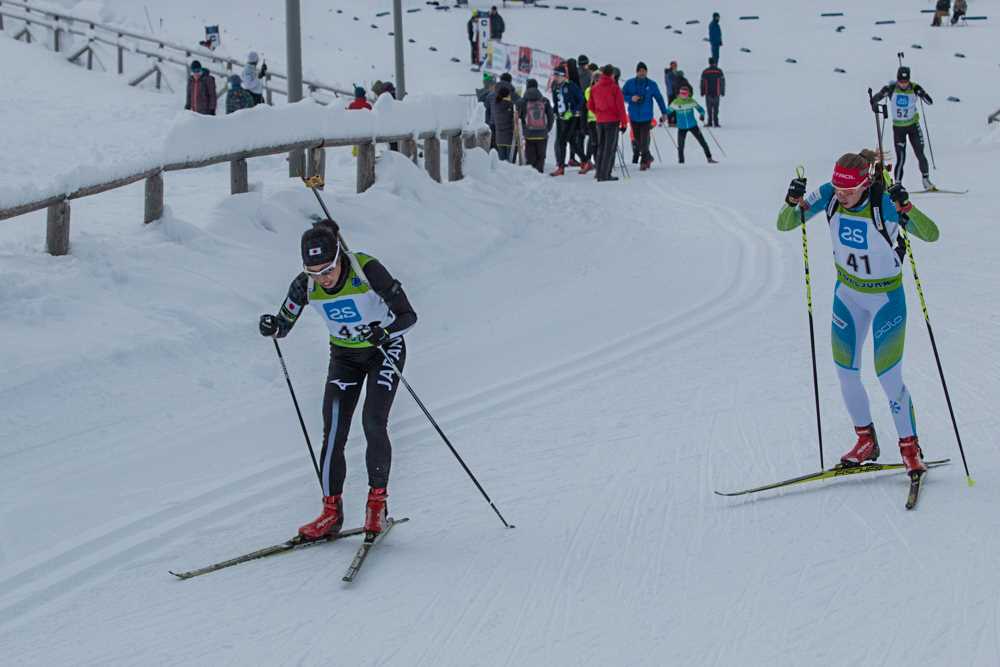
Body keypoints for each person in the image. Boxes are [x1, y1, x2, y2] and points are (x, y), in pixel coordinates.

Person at [778, 151, 940, 475]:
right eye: (838, 189)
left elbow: (931, 233)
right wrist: (792, 199)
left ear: (865, 185)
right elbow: (785, 224)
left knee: (888, 375)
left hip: (885, 300)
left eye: (849, 191)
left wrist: (907, 207)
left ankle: (910, 448)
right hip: (848, 296)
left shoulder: (884, 206)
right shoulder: (829, 195)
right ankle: (866, 439)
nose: (842, 196)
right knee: (846, 372)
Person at [259, 221, 417, 540]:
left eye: (328, 269)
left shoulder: (366, 269)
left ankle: (377, 505)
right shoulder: (304, 285)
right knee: (333, 432)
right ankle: (331, 512)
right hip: (345, 358)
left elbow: (408, 316)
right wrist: (272, 327)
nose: (323, 278)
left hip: (383, 350)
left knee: (373, 422)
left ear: (340, 257)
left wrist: (384, 332)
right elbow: (284, 325)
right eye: (314, 271)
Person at [871, 66, 934, 189]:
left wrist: (922, 94)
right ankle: (898, 184)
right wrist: (874, 101)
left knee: (920, 153)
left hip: (913, 126)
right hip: (898, 128)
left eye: (905, 82)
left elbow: (929, 101)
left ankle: (926, 180)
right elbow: (876, 98)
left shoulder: (915, 87)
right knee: (901, 158)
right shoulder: (891, 88)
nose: (903, 84)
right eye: (901, 81)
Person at [622, 61, 669, 171]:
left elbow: (659, 98)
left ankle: (643, 162)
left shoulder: (651, 84)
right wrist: (631, 98)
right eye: (640, 71)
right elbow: (622, 95)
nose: (642, 73)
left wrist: (664, 112)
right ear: (637, 72)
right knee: (637, 140)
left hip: (646, 117)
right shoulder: (630, 83)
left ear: (647, 72)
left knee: (644, 140)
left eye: (644, 71)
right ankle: (649, 157)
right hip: (633, 116)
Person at [587, 64, 629, 182]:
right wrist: (624, 123)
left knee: (601, 146)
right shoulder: (614, 88)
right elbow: (620, 107)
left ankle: (599, 173)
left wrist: (598, 113)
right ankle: (605, 174)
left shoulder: (595, 88)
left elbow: (590, 105)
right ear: (612, 74)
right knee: (609, 148)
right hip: (612, 121)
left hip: (600, 121)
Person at [549, 64, 585, 177]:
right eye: (554, 75)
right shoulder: (555, 86)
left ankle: (561, 167)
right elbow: (555, 102)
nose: (555, 77)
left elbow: (581, 99)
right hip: (560, 118)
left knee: (564, 140)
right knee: (566, 141)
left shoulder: (571, 86)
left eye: (557, 75)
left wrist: (573, 111)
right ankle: (584, 161)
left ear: (563, 76)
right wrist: (554, 112)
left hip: (571, 117)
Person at [666, 84, 716, 164]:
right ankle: (681, 162)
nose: (683, 96)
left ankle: (709, 158)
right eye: (682, 94)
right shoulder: (675, 102)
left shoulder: (691, 101)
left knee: (703, 142)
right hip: (681, 127)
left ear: (688, 94)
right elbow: (668, 111)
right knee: (681, 146)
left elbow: (701, 109)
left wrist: (702, 115)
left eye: (685, 94)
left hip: (693, 125)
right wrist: (663, 117)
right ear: (679, 94)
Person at [517, 78, 555, 173]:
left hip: (529, 134)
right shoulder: (544, 101)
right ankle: (540, 172)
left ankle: (531, 174)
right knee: (541, 156)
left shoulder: (523, 102)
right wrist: (547, 129)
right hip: (542, 133)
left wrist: (525, 129)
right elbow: (551, 116)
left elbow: (519, 117)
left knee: (530, 156)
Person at [580, 65, 601, 175]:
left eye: (599, 79)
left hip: (602, 121)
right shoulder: (589, 90)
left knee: (600, 143)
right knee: (594, 143)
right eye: (595, 79)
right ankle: (594, 164)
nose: (597, 81)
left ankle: (600, 165)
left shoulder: (603, 90)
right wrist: (583, 124)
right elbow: (584, 107)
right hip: (592, 121)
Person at [492, 83, 515, 162]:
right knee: (509, 163)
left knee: (502, 163)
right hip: (509, 137)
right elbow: (513, 119)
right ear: (507, 95)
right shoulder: (510, 105)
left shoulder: (495, 104)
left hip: (499, 137)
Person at [700, 57, 725, 127]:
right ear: (715, 62)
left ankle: (710, 122)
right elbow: (722, 82)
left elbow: (702, 82)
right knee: (716, 108)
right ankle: (716, 122)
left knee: (709, 108)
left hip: (708, 93)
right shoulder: (719, 71)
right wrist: (722, 91)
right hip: (717, 93)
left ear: (709, 62)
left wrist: (702, 91)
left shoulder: (705, 71)